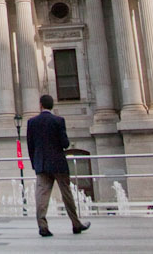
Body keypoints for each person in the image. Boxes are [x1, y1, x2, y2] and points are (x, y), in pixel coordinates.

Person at [26, 94, 90, 238]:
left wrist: (35, 163)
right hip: (58, 164)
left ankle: (42, 226)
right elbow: (65, 144)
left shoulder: (32, 122)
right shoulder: (58, 121)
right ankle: (75, 223)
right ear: (51, 106)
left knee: (41, 196)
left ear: (40, 105)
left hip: (41, 164)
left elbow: (31, 147)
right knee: (66, 194)